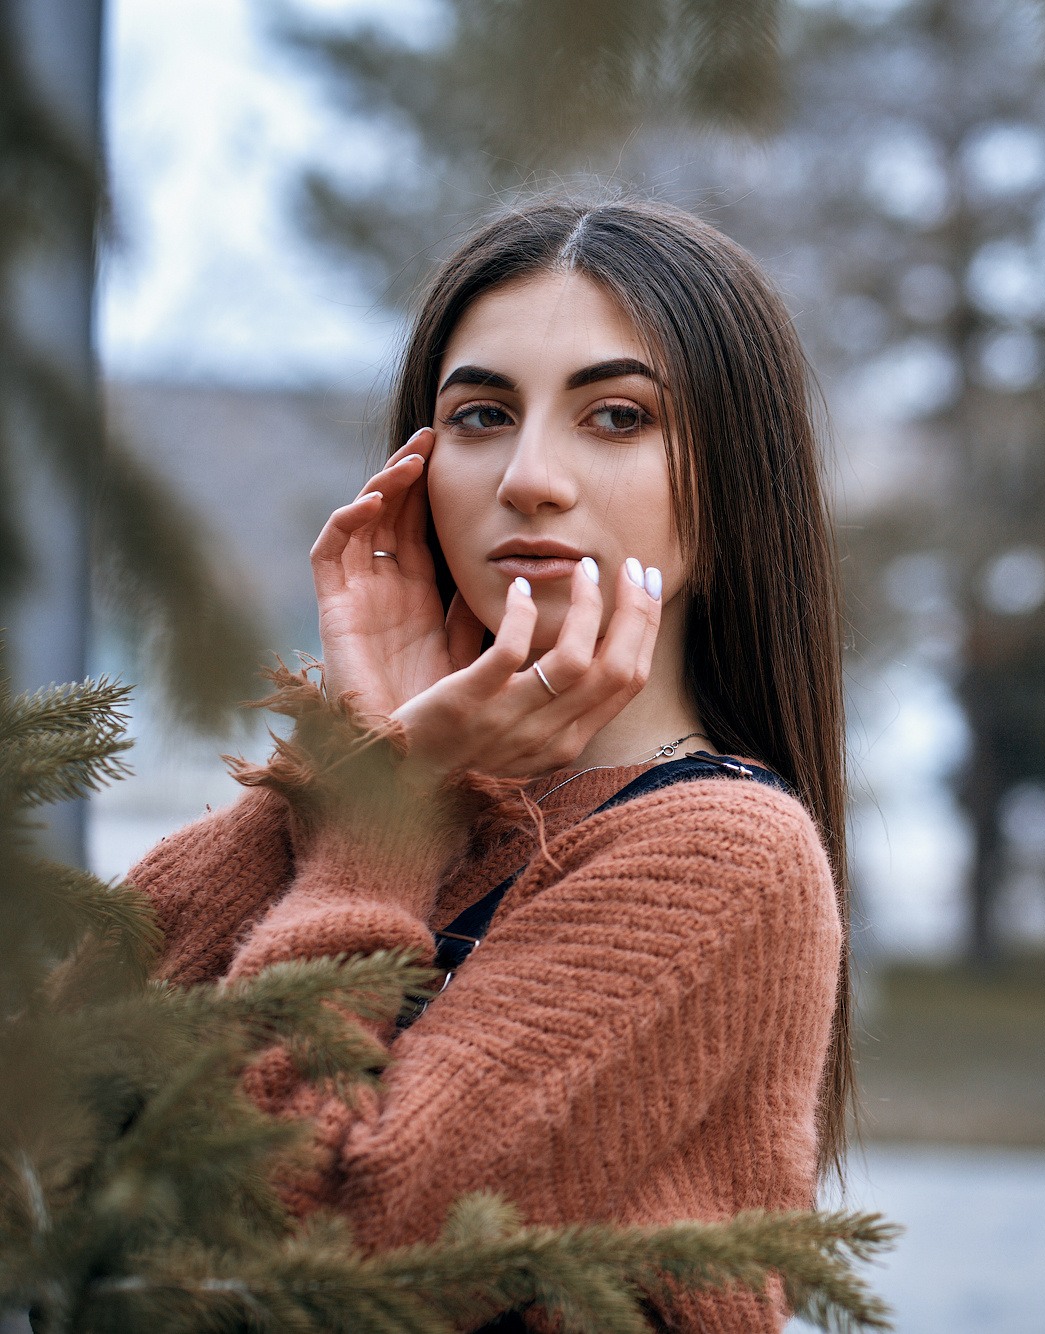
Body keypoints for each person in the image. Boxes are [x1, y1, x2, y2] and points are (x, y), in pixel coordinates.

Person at [129, 198, 852, 1334]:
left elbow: (332, 1257)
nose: (529, 476)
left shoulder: (722, 853)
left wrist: (384, 822)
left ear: (732, 488)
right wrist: (375, 757)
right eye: (478, 414)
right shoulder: (412, 785)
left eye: (615, 416)